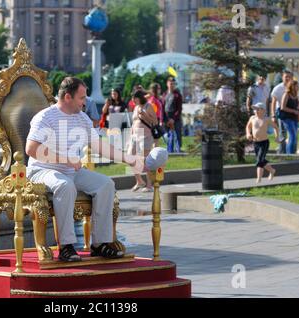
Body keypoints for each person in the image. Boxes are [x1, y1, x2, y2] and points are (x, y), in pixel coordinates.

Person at [25, 77, 143, 262]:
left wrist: (129, 159)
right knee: (64, 185)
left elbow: (100, 146)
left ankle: (100, 244)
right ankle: (66, 246)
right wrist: (65, 159)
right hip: (42, 170)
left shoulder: (82, 118)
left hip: (71, 170)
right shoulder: (45, 117)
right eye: (81, 97)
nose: (85, 101)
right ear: (67, 97)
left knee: (106, 184)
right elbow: (31, 149)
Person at [127, 89, 157, 193]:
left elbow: (155, 121)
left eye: (134, 98)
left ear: (139, 98)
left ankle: (149, 185)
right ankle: (139, 181)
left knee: (145, 161)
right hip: (134, 136)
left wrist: (145, 116)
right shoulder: (135, 107)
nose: (132, 100)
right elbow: (134, 122)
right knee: (129, 157)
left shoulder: (148, 106)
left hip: (145, 136)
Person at [246, 102, 280, 184]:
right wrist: (248, 133)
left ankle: (259, 179)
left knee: (259, 160)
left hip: (264, 142)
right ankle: (272, 170)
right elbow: (248, 126)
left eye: (258, 109)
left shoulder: (266, 119)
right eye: (255, 110)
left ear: (263, 110)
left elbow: (276, 127)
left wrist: (277, 137)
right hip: (256, 143)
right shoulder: (252, 118)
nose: (256, 111)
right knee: (261, 160)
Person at [271, 70, 294, 154]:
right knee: (283, 132)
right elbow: (273, 102)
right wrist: (273, 115)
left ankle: (290, 151)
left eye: (289, 77)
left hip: (291, 111)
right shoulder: (278, 88)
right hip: (281, 112)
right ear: (282, 77)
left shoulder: (293, 87)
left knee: (292, 132)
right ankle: (282, 152)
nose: (288, 78)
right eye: (286, 77)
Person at [280, 80, 299, 154]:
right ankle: (289, 155)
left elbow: (298, 108)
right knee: (292, 136)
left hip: (294, 118)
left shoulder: (296, 95)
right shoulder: (286, 94)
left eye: (297, 85)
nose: (297, 87)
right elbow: (282, 107)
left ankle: (292, 153)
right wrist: (293, 111)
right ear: (291, 86)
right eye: (295, 85)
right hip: (287, 118)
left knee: (294, 137)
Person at [162, 77, 183, 153]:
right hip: (166, 118)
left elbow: (179, 109)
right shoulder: (164, 94)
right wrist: (165, 119)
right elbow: (162, 107)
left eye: (173, 83)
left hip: (175, 118)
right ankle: (169, 149)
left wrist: (173, 119)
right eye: (170, 83)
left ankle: (178, 149)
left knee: (177, 134)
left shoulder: (177, 95)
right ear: (167, 84)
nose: (171, 85)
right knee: (167, 135)